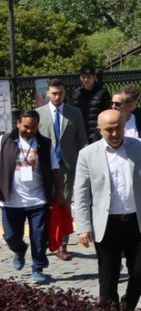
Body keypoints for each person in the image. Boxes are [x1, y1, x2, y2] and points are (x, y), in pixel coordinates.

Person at [72, 109, 141, 311]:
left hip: (136, 221)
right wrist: (83, 226)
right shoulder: (88, 154)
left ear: (124, 127)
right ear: (100, 130)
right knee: (108, 278)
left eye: (118, 128)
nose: (115, 134)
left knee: (140, 271)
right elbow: (81, 193)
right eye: (109, 130)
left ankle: (128, 306)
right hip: (107, 224)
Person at [1, 110, 62, 284]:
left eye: (34, 127)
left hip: (38, 199)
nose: (30, 130)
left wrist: (59, 192)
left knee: (39, 237)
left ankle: (38, 268)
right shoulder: (4, 141)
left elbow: (55, 169)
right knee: (11, 236)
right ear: (18, 124)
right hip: (11, 200)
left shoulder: (45, 143)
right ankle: (19, 249)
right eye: (26, 127)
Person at [36, 78, 88, 260]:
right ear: (48, 93)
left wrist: (84, 164)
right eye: (54, 93)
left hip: (67, 165)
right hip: (45, 167)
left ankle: (61, 245)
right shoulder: (39, 113)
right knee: (44, 205)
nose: (58, 97)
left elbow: (82, 139)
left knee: (63, 204)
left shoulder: (74, 113)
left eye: (61, 93)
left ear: (65, 93)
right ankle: (44, 240)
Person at [73, 65, 111, 140]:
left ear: (94, 77)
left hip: (97, 132)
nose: (86, 80)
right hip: (81, 131)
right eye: (83, 77)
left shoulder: (102, 93)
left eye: (89, 77)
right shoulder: (77, 93)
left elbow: (106, 111)